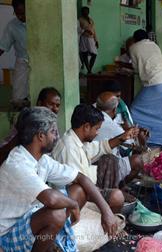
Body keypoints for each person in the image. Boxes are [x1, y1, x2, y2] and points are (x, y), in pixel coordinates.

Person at [0, 107, 117, 252]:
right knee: (56, 214)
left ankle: (51, 242)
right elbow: (51, 199)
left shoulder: (41, 159)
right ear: (40, 136)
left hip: (28, 219)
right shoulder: (17, 163)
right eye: (54, 132)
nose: (57, 136)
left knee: (79, 189)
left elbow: (81, 177)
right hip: (7, 235)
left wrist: (107, 211)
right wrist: (73, 205)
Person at [52, 104, 139, 213]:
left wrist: (123, 137)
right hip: (75, 199)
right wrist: (107, 194)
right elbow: (79, 187)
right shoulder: (68, 148)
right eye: (97, 129)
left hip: (85, 188)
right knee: (117, 197)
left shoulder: (78, 140)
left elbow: (101, 147)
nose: (98, 133)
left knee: (109, 159)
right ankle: (109, 221)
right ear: (86, 127)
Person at [129, 29, 162, 148]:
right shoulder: (154, 45)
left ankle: (142, 138)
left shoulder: (133, 47)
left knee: (134, 110)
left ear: (135, 39)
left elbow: (135, 68)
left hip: (155, 84)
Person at [95, 92, 145, 188]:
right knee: (137, 161)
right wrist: (141, 137)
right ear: (114, 110)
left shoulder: (93, 116)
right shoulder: (111, 126)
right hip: (104, 166)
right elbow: (131, 146)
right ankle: (119, 188)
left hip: (92, 160)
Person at [0, 0, 29, 109]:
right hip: (22, 61)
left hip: (41, 62)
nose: (21, 16)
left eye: (23, 13)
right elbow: (2, 46)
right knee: (18, 98)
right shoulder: (12, 26)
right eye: (18, 14)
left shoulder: (39, 22)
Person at [78, 6, 98, 74]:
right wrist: (85, 31)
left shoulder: (91, 20)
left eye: (87, 11)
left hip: (91, 39)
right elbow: (78, 30)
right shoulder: (80, 20)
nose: (86, 12)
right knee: (84, 54)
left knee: (94, 54)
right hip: (84, 38)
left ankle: (89, 70)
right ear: (82, 12)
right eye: (84, 11)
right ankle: (89, 70)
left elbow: (94, 31)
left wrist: (96, 40)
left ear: (88, 12)